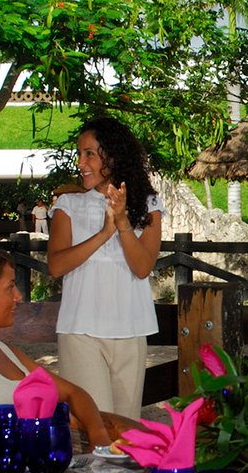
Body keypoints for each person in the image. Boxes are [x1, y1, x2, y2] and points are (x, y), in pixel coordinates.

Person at [0, 245, 111, 455]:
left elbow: (73, 393)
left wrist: (99, 434)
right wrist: (31, 447)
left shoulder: (6, 351)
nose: (18, 296)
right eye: (10, 287)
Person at [47, 117, 163, 420]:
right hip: (80, 331)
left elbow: (142, 268)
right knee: (95, 427)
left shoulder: (149, 204)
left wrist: (123, 223)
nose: (81, 162)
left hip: (131, 330)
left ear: (113, 156)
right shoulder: (68, 205)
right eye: (79, 154)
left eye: (89, 154)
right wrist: (103, 233)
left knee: (125, 429)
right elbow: (56, 266)